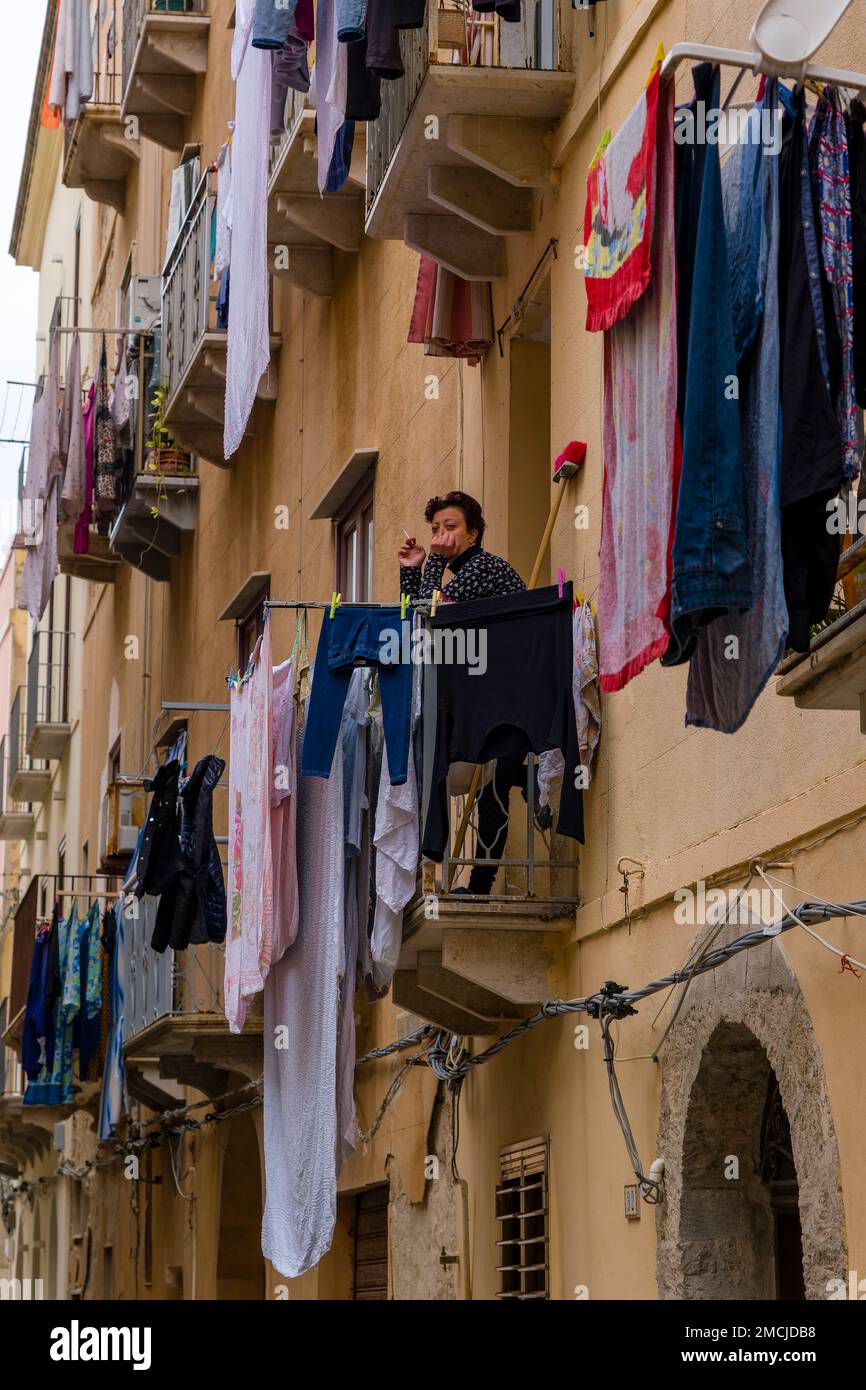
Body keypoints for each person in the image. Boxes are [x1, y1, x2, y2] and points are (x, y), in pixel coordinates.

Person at [397, 491, 532, 895]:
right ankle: (531, 779)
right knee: (489, 784)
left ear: (474, 535)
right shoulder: (461, 573)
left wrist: (432, 562)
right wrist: (411, 569)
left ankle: (480, 883)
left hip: (513, 694)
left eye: (450, 527)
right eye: (435, 529)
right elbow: (415, 620)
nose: (440, 535)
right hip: (486, 694)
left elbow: (434, 612)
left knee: (493, 790)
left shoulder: (486, 569)